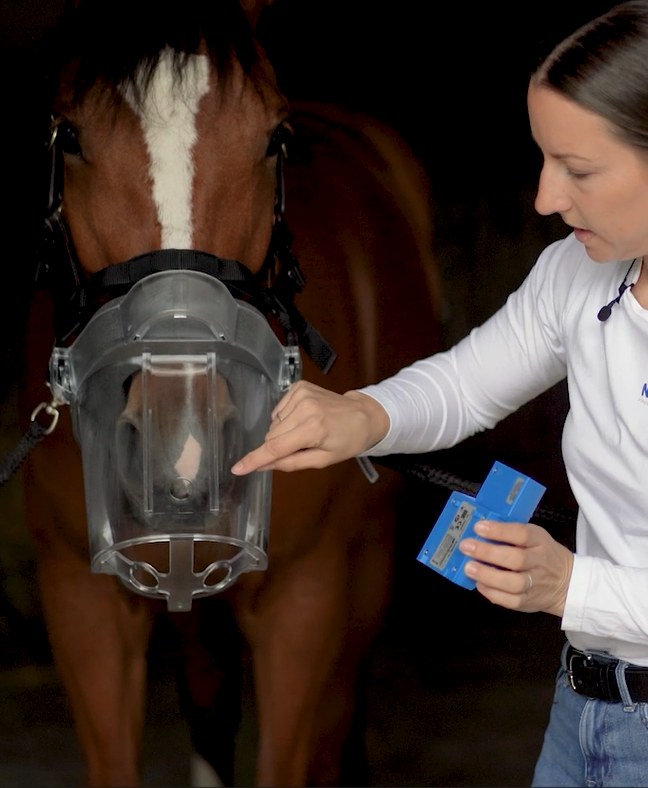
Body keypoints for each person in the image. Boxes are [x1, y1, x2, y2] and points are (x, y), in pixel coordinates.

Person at [233, 2, 648, 785]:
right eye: (542, 159)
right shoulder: (575, 274)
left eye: (579, 169)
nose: (544, 199)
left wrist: (570, 584)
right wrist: (362, 415)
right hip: (583, 703)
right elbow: (465, 383)